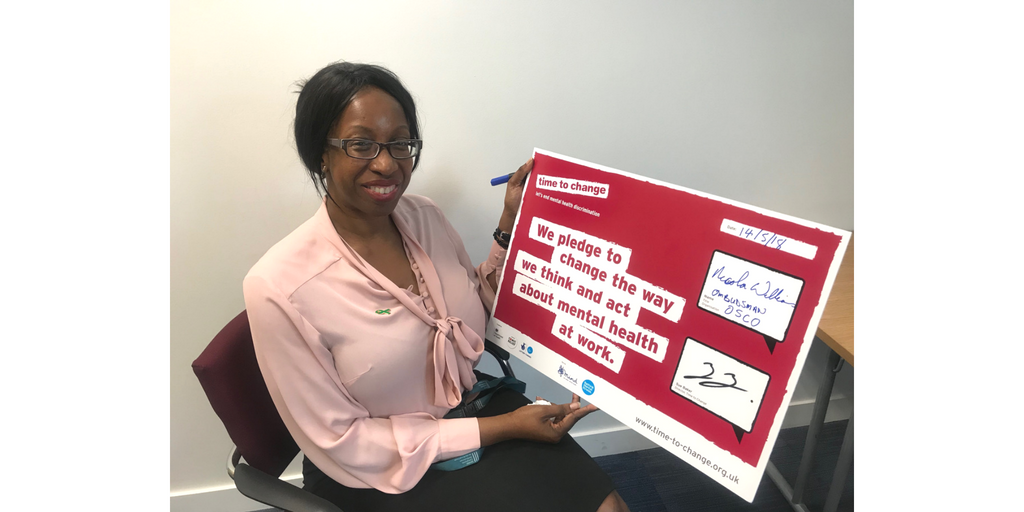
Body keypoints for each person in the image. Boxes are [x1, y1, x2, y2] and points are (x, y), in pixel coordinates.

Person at [242, 61, 630, 512]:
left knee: (609, 509)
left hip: (473, 407)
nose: (387, 164)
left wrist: (512, 224)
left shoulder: (423, 216)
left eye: (400, 142)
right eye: (361, 144)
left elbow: (476, 309)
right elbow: (344, 442)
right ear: (320, 154)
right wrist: (505, 427)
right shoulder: (279, 286)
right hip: (382, 467)